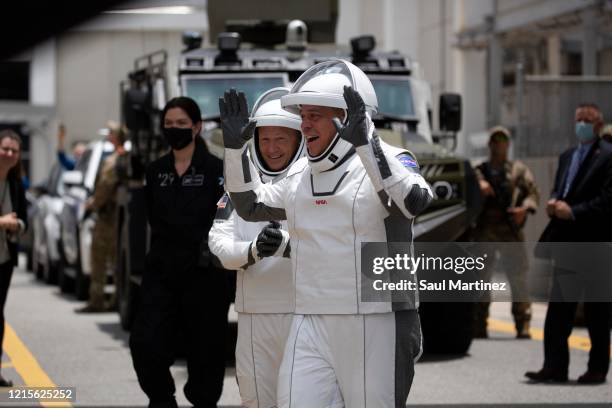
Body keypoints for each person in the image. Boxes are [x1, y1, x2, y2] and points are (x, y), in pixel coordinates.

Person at [219, 60, 432, 407]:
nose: (303, 125)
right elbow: (250, 204)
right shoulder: (300, 174)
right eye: (302, 115)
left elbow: (414, 201)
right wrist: (234, 150)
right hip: (309, 319)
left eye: (314, 115)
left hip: (376, 320)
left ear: (346, 117)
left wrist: (369, 144)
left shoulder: (393, 158)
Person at [129, 97, 230, 407]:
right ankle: (161, 399)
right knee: (145, 343)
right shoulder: (155, 170)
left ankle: (202, 401)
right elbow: (150, 217)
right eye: (169, 124)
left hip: (205, 273)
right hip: (163, 270)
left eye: (181, 124)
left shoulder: (218, 169)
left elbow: (226, 215)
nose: (174, 130)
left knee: (207, 350)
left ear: (197, 127)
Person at [209, 87, 304, 408]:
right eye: (265, 139)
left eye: (281, 139)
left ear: (298, 139)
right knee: (256, 401)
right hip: (253, 318)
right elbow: (218, 244)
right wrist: (253, 251)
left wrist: (288, 247)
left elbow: (336, 244)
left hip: (305, 315)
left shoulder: (314, 181)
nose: (272, 148)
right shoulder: (240, 183)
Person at [526, 103, 612, 384]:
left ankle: (597, 368)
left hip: (596, 243)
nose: (581, 125)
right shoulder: (567, 156)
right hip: (567, 244)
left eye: (587, 121)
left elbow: (607, 201)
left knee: (597, 311)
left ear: (598, 125)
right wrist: (554, 203)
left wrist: (574, 211)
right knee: (559, 310)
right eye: (578, 120)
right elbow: (561, 188)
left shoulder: (608, 156)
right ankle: (554, 365)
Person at [472, 126, 539, 339]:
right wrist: (479, 185)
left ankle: (523, 322)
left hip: (510, 230)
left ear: (508, 145)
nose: (498, 145)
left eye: (502, 140)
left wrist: (524, 210)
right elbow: (467, 191)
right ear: (489, 144)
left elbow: (532, 193)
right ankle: (479, 322)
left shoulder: (518, 170)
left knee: (518, 276)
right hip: (485, 230)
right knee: (481, 278)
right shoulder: (479, 170)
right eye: (494, 140)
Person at [76, 121, 126, 313]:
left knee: (101, 260)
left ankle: (98, 300)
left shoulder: (114, 159)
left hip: (108, 217)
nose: (107, 136)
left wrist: (93, 204)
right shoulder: (120, 157)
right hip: (114, 216)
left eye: (110, 133)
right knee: (114, 261)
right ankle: (114, 300)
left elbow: (104, 186)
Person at [0, 130, 27, 387]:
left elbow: (24, 221)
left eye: (14, 151)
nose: (9, 154)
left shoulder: (16, 184)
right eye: (5, 148)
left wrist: (17, 224)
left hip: (4, 259)